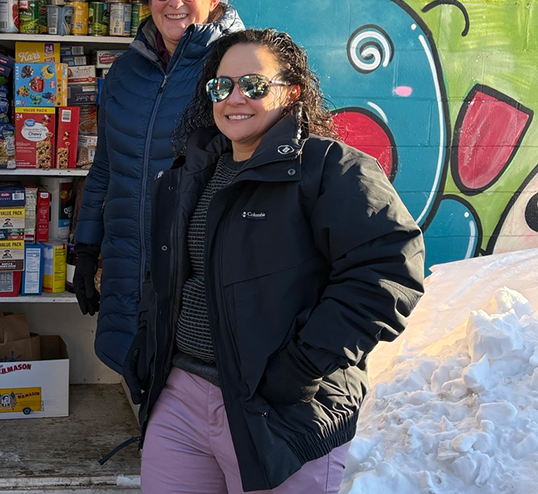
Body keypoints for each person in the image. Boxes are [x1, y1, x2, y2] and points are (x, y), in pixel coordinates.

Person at [123, 29, 426, 493]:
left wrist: (299, 371)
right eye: (221, 86)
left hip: (279, 411)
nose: (234, 97)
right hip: (181, 398)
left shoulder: (331, 169)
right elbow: (166, 279)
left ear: (292, 91)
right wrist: (148, 346)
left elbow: (387, 273)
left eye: (254, 84)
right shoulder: (189, 174)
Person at [73, 0, 244, 374]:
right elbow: (107, 166)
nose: (175, 2)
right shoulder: (126, 72)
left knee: (190, 381)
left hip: (198, 266)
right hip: (128, 260)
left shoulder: (233, 70)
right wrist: (87, 247)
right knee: (137, 372)